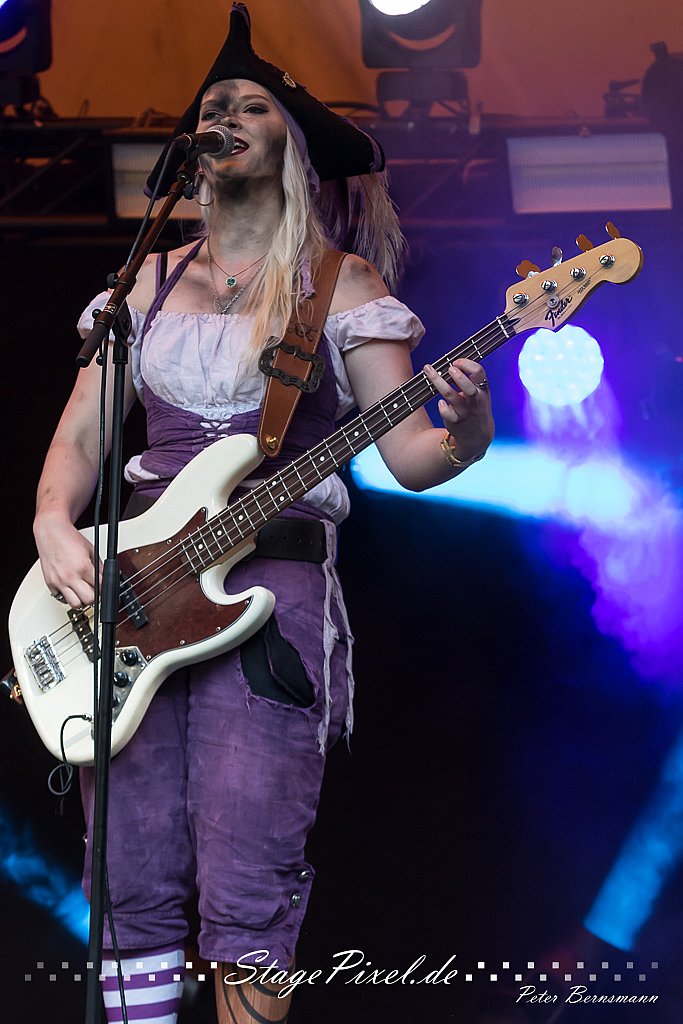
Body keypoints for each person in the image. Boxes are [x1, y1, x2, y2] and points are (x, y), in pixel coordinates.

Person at [32, 5, 494, 1023]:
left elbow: (411, 457)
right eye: (214, 106)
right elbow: (77, 442)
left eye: (251, 105)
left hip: (270, 592)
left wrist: (466, 430)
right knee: (128, 872)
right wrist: (53, 526)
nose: (227, 116)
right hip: (133, 585)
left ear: (291, 144)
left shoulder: (339, 284)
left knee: (248, 876)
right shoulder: (142, 288)